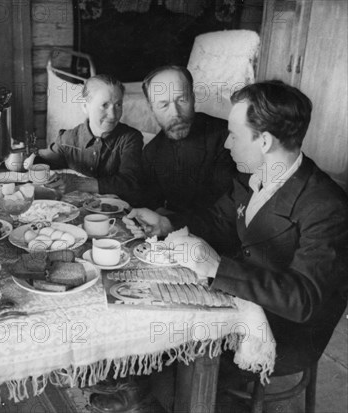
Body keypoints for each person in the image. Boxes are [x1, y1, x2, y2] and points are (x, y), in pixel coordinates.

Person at [124, 81, 348, 406]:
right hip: (241, 300)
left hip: (282, 330)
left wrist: (218, 267)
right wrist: (165, 223)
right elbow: (218, 219)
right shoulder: (254, 176)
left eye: (235, 135)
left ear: (266, 141)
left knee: (167, 362)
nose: (227, 144)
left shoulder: (326, 206)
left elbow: (303, 299)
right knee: (145, 310)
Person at [31, 74, 144, 203]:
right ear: (85, 106)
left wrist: (78, 183)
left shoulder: (130, 138)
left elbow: (129, 182)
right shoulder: (68, 139)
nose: (113, 115)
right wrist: (26, 160)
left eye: (118, 105)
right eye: (104, 105)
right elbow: (43, 161)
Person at [138, 66, 236, 213]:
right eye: (164, 105)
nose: (175, 113)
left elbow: (228, 211)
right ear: (151, 108)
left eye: (182, 100)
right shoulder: (150, 152)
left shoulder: (226, 138)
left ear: (193, 98)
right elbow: (152, 202)